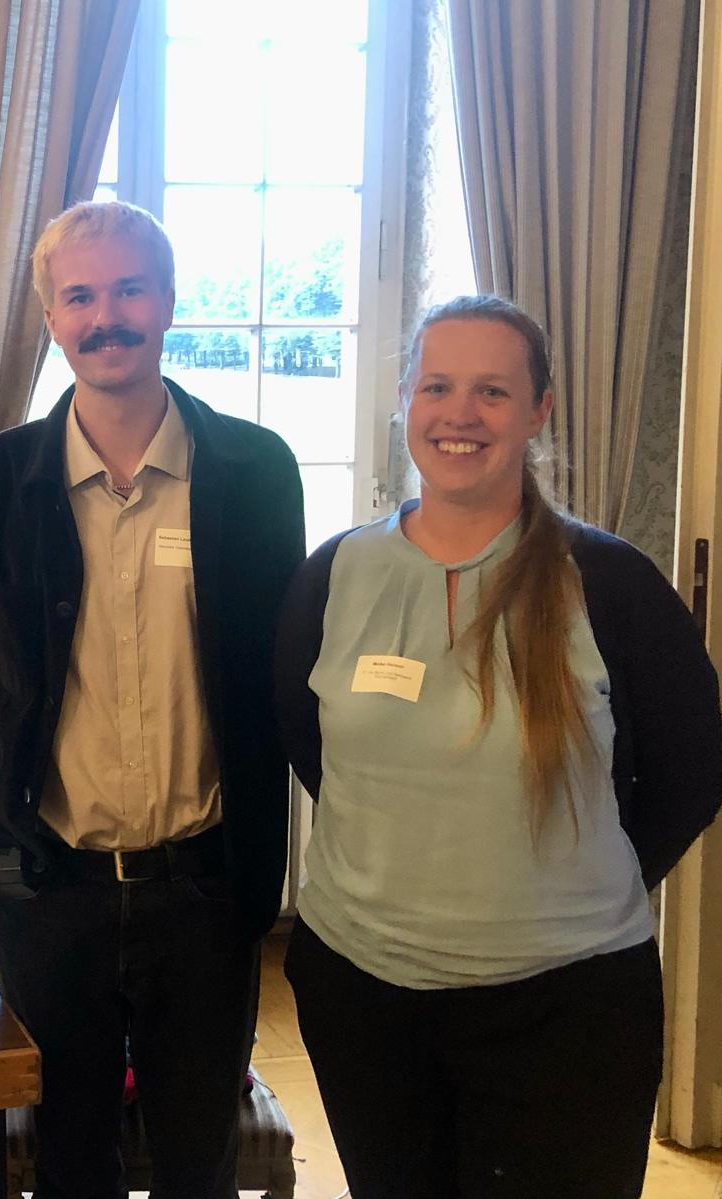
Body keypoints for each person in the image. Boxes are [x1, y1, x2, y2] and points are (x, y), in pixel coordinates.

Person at [274, 295, 722, 1198]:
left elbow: (690, 770)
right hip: (364, 993)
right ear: (406, 398)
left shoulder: (608, 583)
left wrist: (567, 879)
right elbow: (309, 744)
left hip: (568, 1007)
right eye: (437, 386)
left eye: (492, 390)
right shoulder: (333, 573)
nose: (460, 414)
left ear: (537, 409)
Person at [0, 200, 305, 1197]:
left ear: (170, 300)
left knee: (200, 1155)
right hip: (52, 887)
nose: (108, 316)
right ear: (51, 318)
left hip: (203, 885)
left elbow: (277, 670)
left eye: (130, 288)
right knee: (67, 1151)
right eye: (81, 295)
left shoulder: (256, 472)